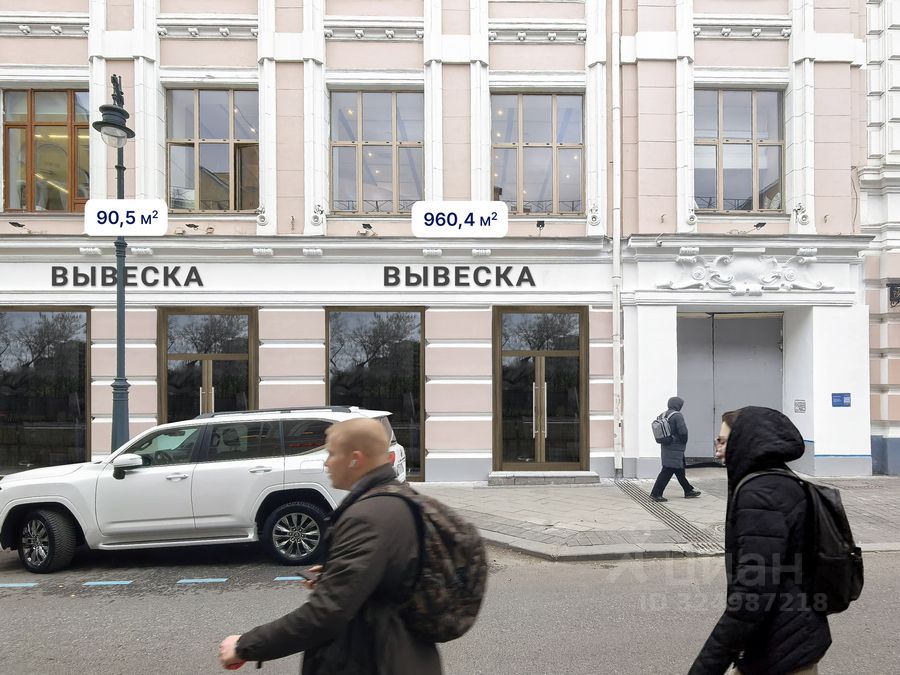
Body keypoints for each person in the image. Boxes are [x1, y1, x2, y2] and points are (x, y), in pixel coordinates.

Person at [218, 418, 443, 674]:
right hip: (402, 653)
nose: (326, 463)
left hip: (378, 660)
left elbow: (326, 613)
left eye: (332, 454)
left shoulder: (369, 516)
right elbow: (388, 573)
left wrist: (244, 646)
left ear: (355, 459)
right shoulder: (398, 498)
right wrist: (335, 573)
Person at [689, 407, 831, 675]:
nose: (717, 450)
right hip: (790, 639)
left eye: (723, 441)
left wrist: (705, 668)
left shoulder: (761, 494)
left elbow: (751, 596)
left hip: (781, 651)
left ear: (745, 441)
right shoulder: (779, 479)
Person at [650, 396, 701, 502]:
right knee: (667, 470)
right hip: (675, 447)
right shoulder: (677, 416)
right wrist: (683, 441)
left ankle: (688, 490)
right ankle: (656, 493)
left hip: (666, 446)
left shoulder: (662, 415)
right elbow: (683, 432)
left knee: (679, 469)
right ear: (678, 405)